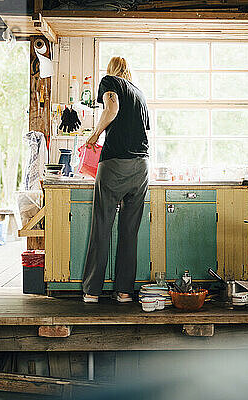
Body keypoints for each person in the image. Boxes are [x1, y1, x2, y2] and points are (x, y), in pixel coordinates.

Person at [82, 56, 150, 303]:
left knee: (102, 227)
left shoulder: (110, 82)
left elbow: (112, 109)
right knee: (129, 231)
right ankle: (124, 291)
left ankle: (92, 291)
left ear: (112, 71)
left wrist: (94, 134)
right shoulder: (140, 94)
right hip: (141, 167)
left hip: (115, 165)